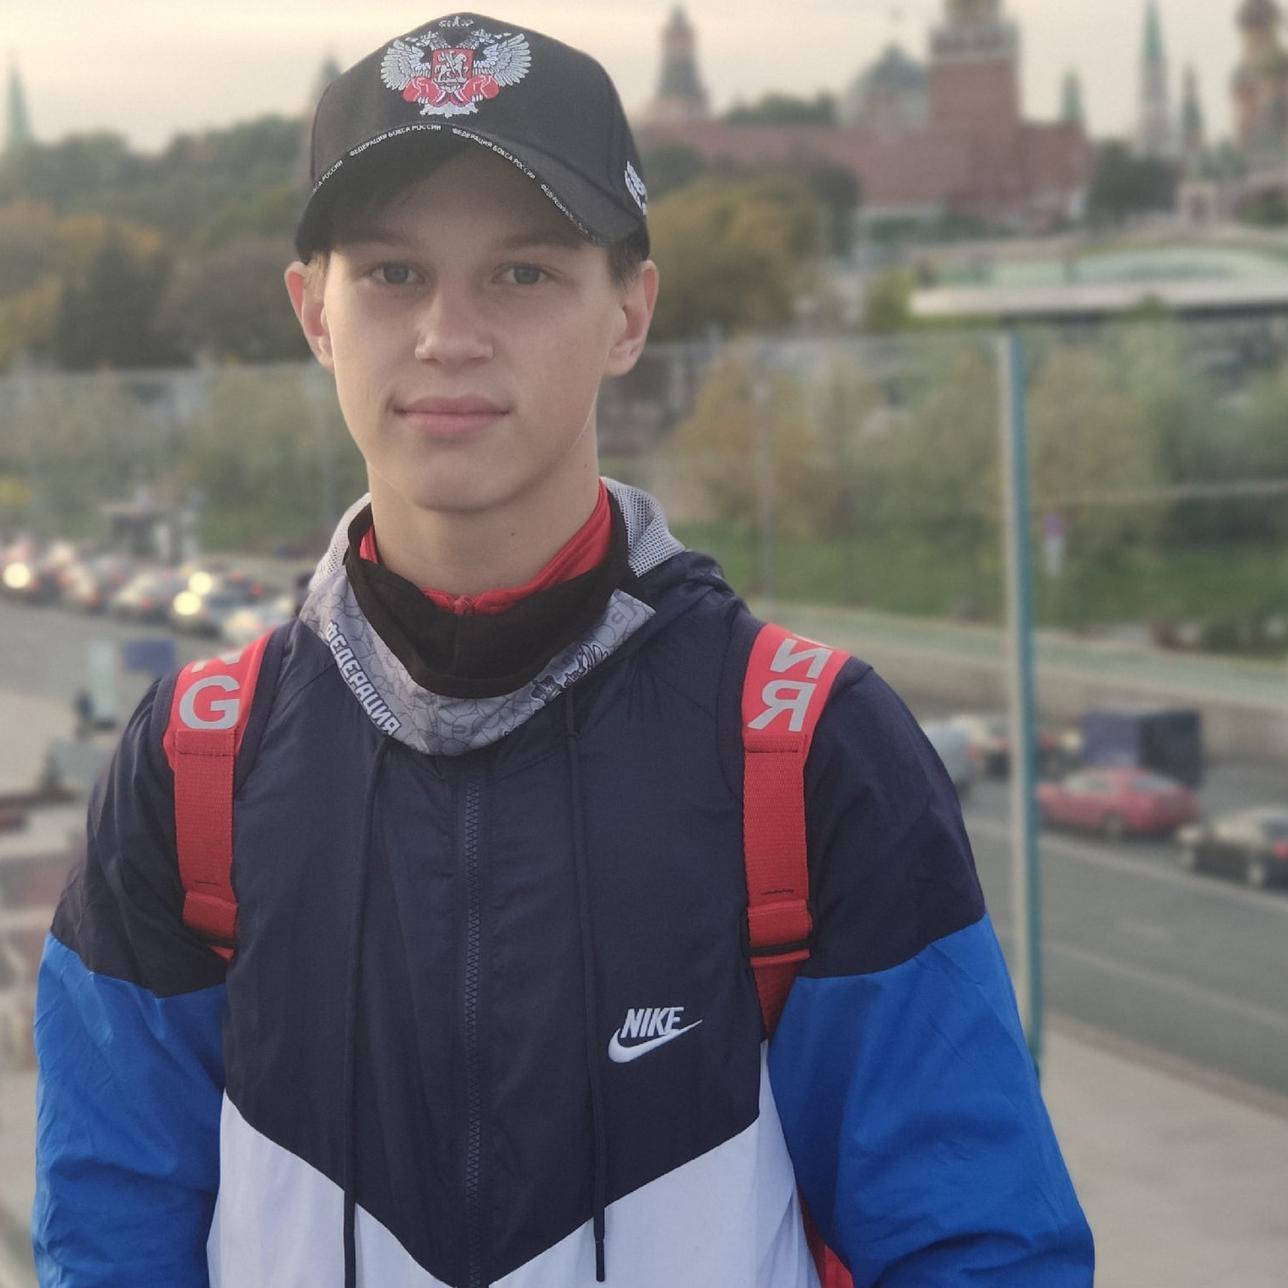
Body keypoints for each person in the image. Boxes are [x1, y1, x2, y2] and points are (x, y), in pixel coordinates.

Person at [32, 13, 1093, 1287]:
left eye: (523, 274)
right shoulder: (190, 769)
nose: (449, 333)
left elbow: (978, 1250)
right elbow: (108, 1245)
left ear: (629, 312)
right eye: (393, 273)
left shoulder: (812, 752)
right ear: (314, 312)